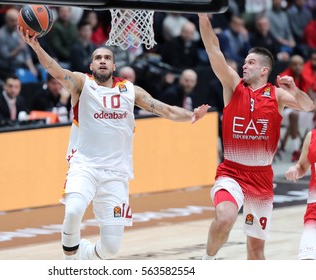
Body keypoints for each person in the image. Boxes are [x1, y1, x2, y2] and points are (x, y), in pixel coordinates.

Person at [18, 27, 210, 260]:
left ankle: (83, 257)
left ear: (114, 66)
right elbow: (55, 71)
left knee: (110, 249)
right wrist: (36, 46)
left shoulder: (130, 90)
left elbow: (165, 109)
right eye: (97, 58)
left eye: (107, 58)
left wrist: (191, 115)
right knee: (74, 211)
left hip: (116, 174)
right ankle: (69, 263)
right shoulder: (81, 84)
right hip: (85, 166)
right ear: (91, 65)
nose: (102, 61)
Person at [198, 13, 314, 260]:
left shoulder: (277, 95)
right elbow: (213, 49)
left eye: (250, 62)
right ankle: (207, 262)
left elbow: (308, 106)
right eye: (244, 62)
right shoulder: (232, 85)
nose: (244, 65)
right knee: (226, 216)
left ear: (264, 70)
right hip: (231, 172)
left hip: (261, 178)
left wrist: (294, 89)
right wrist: (202, 15)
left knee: (256, 250)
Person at [285, 129, 316, 260]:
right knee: (307, 258)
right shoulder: (312, 136)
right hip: (314, 209)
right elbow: (302, 166)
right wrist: (295, 169)